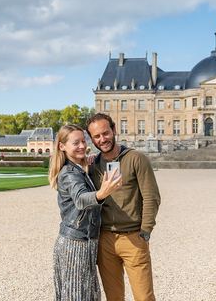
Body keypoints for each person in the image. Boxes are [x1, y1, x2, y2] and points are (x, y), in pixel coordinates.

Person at [86, 113, 161, 301]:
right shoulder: (93, 166)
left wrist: (145, 231)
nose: (102, 139)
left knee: (144, 297)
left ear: (114, 131)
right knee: (114, 297)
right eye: (97, 136)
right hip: (104, 240)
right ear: (92, 139)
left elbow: (152, 197)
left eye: (106, 133)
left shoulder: (136, 158)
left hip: (133, 238)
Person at [48, 124, 122, 300]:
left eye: (83, 141)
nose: (83, 146)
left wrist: (89, 162)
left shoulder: (79, 169)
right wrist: (102, 193)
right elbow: (81, 199)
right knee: (77, 295)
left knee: (84, 294)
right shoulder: (69, 174)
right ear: (62, 146)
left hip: (83, 241)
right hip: (75, 244)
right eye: (76, 143)